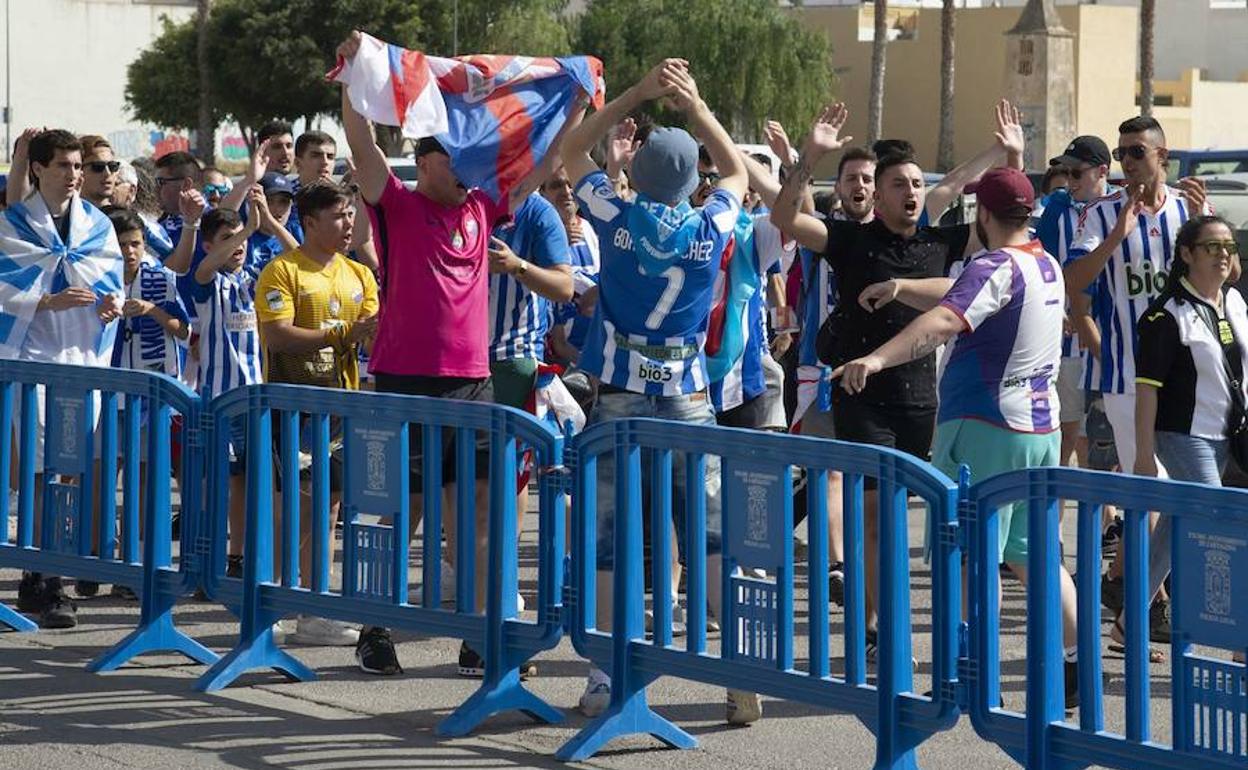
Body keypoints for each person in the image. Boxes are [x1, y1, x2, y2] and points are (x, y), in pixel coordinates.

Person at [770, 100, 1024, 655]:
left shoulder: (943, 242)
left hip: (927, 401)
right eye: (899, 184)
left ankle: (898, 622)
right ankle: (877, 627)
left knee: (922, 524)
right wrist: (809, 154)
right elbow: (785, 219)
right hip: (864, 397)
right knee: (875, 517)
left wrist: (1012, 156)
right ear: (878, 197)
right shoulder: (850, 239)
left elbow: (1008, 243)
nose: (911, 191)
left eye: (916, 182)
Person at [336, 30, 550, 677]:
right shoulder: (395, 206)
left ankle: (478, 632)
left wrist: (576, 97)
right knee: (401, 511)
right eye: (455, 159)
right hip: (405, 380)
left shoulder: (484, 207)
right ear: (426, 160)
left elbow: (541, 163)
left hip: (475, 383)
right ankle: (375, 628)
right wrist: (355, 73)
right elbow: (361, 141)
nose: (467, 170)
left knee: (482, 513)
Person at [833, 167, 1083, 708]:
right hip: (1039, 429)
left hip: (985, 425)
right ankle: (1075, 665)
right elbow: (964, 292)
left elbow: (947, 318)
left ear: (985, 215)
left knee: (972, 556)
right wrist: (902, 287)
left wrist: (875, 357)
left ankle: (972, 673)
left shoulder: (994, 265)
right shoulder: (1044, 265)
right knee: (1036, 557)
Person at [561, 58, 762, 724]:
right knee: (705, 531)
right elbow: (735, 171)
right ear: (689, 179)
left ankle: (604, 675)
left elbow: (570, 149)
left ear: (638, 169)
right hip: (688, 393)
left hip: (619, 387)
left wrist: (636, 94)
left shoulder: (613, 211)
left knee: (613, 536)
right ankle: (736, 671)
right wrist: (696, 105)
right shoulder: (709, 225)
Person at [2, 129, 124, 629]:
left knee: (69, 467)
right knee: (37, 470)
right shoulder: (13, 224)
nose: (74, 175)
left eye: (78, 166)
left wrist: (112, 304)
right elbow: (4, 285)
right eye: (63, 166)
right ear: (38, 169)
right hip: (33, 358)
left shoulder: (96, 225)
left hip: (81, 360)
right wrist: (44, 301)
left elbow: (111, 277)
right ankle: (43, 576)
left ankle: (51, 567)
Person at [255, 181, 379, 647]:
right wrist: (344, 331)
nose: (348, 225)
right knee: (292, 510)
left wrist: (372, 333)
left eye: (350, 215)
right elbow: (279, 336)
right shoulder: (281, 271)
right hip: (293, 408)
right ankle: (273, 602)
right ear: (309, 223)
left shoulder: (359, 275)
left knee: (327, 511)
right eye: (338, 217)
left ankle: (316, 608)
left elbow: (368, 335)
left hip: (340, 410)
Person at [1123, 215, 1244, 661]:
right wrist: (1141, 455)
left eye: (1228, 246)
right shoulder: (1165, 315)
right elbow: (1146, 391)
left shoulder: (1233, 301)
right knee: (1218, 515)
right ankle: (1239, 643)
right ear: (1187, 254)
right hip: (1183, 435)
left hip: (1229, 434)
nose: (1223, 255)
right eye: (1211, 247)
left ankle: (1128, 618)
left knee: (1174, 529)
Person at [189, 206, 264, 578]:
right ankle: (206, 559)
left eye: (244, 239)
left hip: (254, 400)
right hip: (218, 401)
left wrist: (264, 225)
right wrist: (247, 227)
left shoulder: (256, 277)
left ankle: (236, 558)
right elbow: (202, 270)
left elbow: (295, 250)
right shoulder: (207, 282)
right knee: (213, 484)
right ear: (208, 245)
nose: (239, 245)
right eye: (227, 239)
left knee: (245, 483)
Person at [247, 172, 300, 271]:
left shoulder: (297, 232)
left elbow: (303, 261)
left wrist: (269, 219)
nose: (277, 209)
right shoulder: (244, 237)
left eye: (284, 202)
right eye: (269, 201)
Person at [78, 135, 120, 209]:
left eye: (112, 166)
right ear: (79, 170)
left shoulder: (125, 218)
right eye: (98, 167)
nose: (108, 173)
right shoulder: (69, 216)